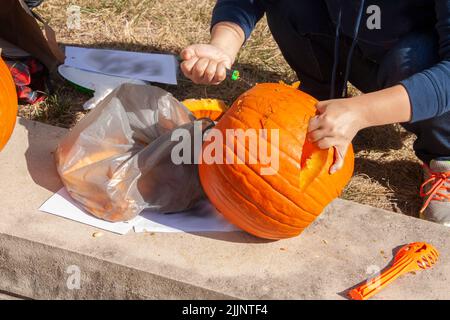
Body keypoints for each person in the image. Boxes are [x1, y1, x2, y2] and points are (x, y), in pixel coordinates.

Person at [180, 0, 450, 225]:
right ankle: (320, 100)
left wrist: (363, 113)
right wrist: (223, 45)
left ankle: (443, 157)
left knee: (413, 57)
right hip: (353, 32)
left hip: (417, 62)